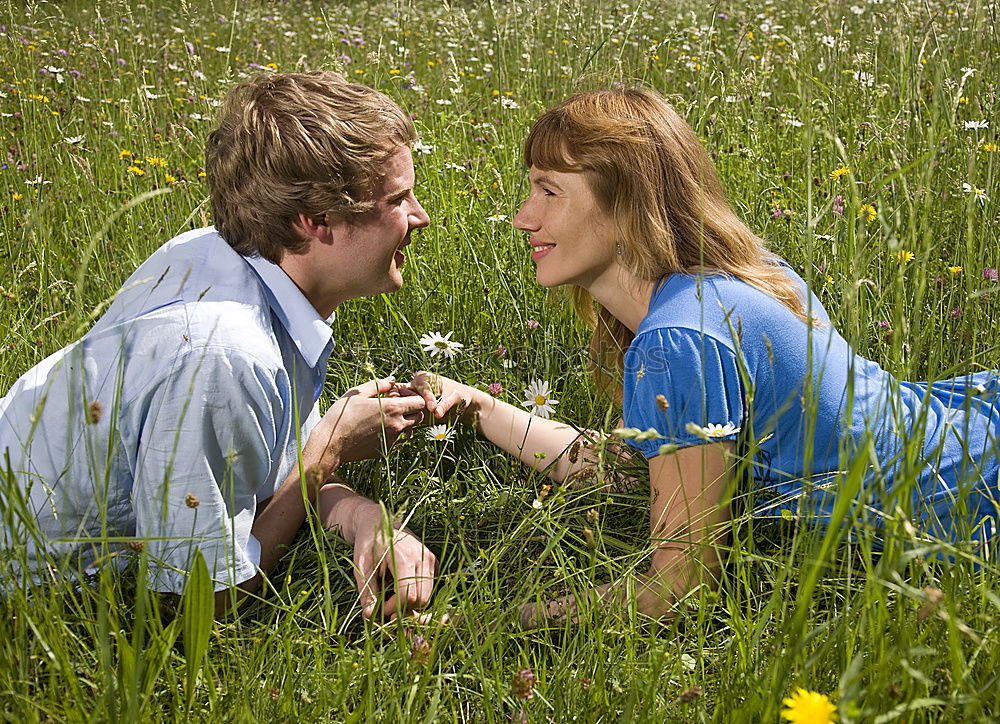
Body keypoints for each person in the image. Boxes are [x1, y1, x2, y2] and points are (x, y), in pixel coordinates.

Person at [412, 86, 1000, 625]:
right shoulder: (734, 280)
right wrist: (475, 407)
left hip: (967, 506)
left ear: (627, 207)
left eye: (549, 191)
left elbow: (676, 591)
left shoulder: (679, 340)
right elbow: (624, 469)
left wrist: (480, 624)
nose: (523, 217)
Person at [0, 71, 437, 619]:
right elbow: (196, 605)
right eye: (398, 199)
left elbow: (267, 474)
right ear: (317, 220)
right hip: (36, 609)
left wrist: (360, 514)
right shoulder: (226, 354)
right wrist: (329, 451)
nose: (421, 216)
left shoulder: (223, 257)